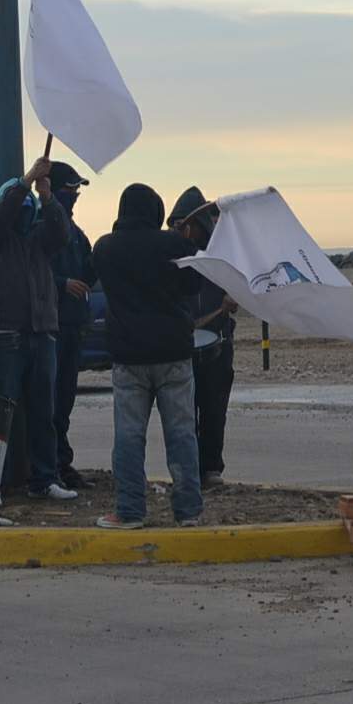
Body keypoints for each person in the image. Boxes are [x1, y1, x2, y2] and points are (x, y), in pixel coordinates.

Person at [90, 183, 205, 530]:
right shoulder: (173, 245)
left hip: (129, 356)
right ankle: (188, 511)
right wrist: (182, 240)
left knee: (128, 435)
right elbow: (193, 286)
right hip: (173, 352)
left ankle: (129, 510)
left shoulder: (105, 249)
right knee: (182, 433)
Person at [0, 155, 74, 502]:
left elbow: (60, 234)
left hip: (41, 332)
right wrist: (24, 182)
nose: (24, 213)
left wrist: (48, 197)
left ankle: (44, 478)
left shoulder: (39, 239)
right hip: (5, 334)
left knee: (42, 411)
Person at [170, 186, 237, 491]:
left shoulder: (220, 254)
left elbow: (239, 286)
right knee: (183, 413)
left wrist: (230, 302)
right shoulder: (169, 253)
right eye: (179, 223)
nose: (185, 230)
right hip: (182, 344)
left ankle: (210, 467)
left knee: (213, 408)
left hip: (218, 342)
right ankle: (189, 470)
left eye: (190, 224)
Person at [47, 162, 96, 489]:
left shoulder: (76, 232)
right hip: (51, 325)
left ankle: (61, 463)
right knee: (49, 400)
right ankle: (51, 467)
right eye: (70, 189)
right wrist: (62, 283)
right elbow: (30, 270)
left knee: (63, 400)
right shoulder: (44, 223)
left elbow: (90, 267)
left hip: (73, 324)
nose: (75, 195)